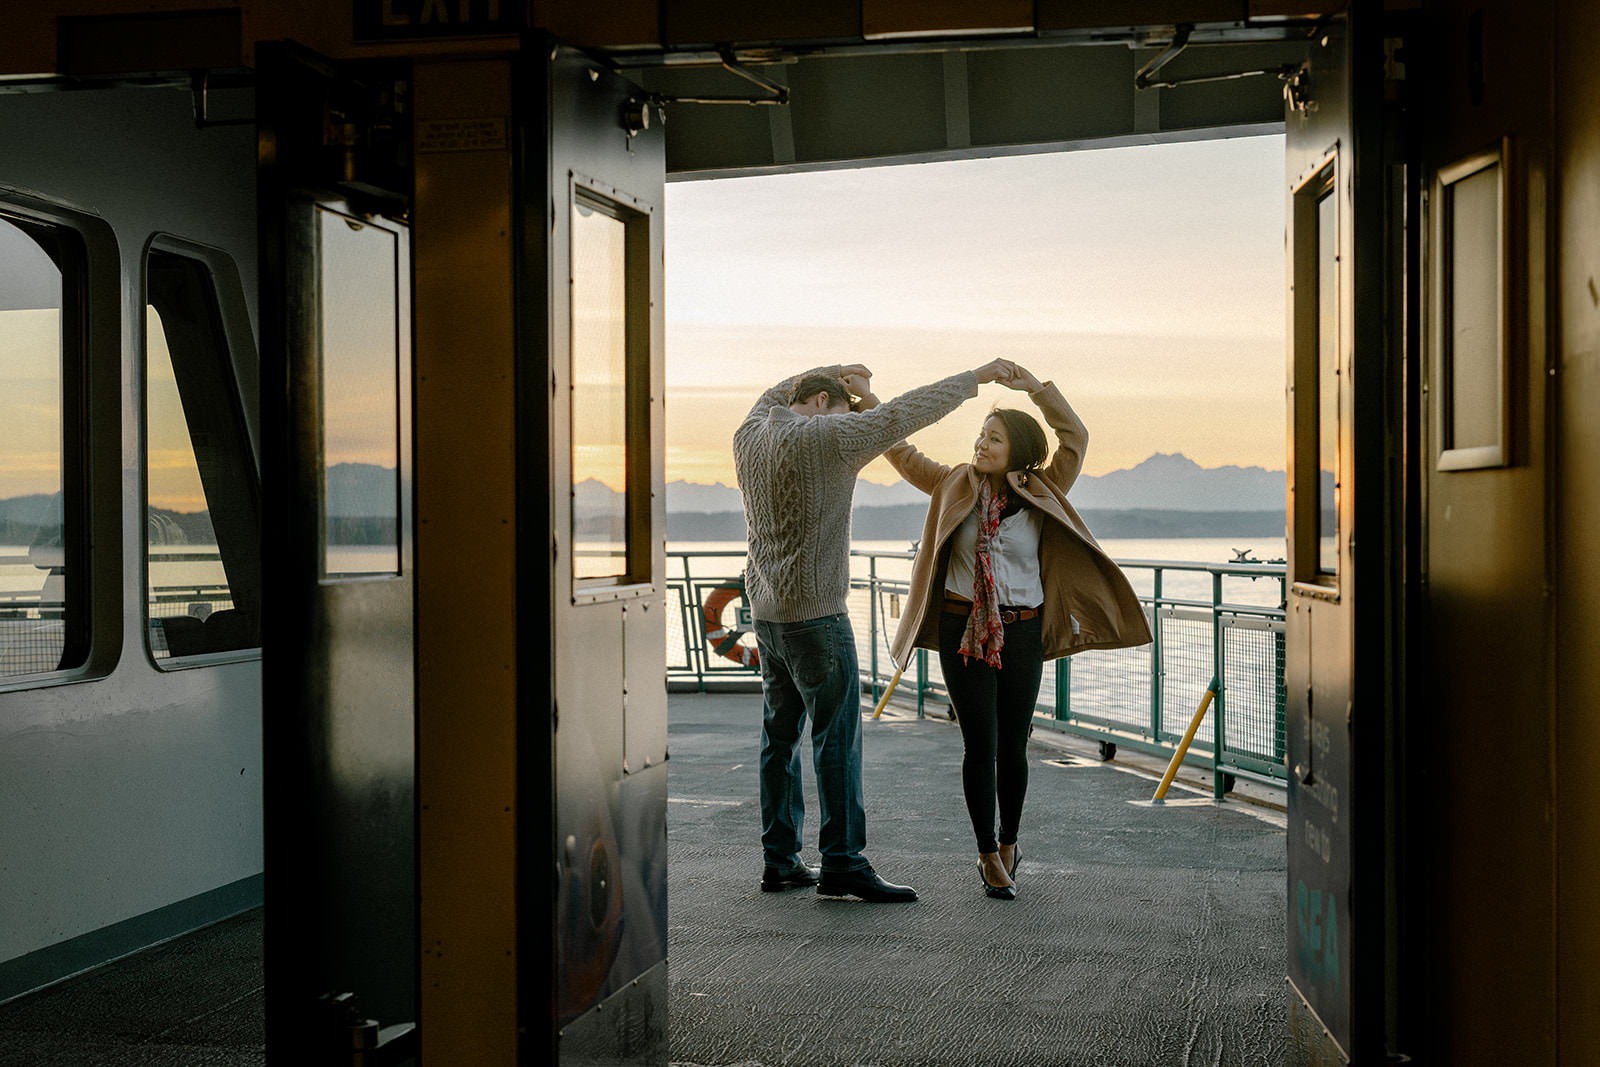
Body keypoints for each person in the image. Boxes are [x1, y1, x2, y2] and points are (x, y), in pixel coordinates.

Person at [733, 359, 1010, 902]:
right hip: (816, 614)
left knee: (779, 738)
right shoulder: (831, 436)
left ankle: (781, 859)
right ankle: (842, 861)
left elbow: (774, 390)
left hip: (766, 612)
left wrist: (833, 373)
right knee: (835, 740)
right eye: (839, 407)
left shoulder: (750, 432)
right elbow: (908, 414)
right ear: (821, 406)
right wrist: (975, 377)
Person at [879, 360, 1152, 900]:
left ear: (1018, 449)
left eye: (994, 438)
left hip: (1022, 632)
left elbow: (1075, 436)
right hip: (964, 632)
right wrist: (869, 404)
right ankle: (984, 852)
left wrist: (1038, 389)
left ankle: (1009, 841)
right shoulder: (951, 482)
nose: (981, 444)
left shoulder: (1043, 488)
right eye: (981, 435)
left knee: (1014, 746)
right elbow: (901, 450)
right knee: (979, 744)